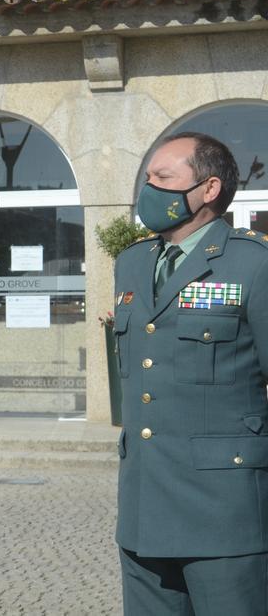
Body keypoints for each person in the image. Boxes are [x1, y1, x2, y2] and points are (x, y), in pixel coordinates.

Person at [114, 132, 268, 614]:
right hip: (143, 508)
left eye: (164, 178)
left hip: (225, 513)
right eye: (148, 178)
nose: (150, 188)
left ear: (208, 189)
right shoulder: (133, 263)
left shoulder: (253, 263)